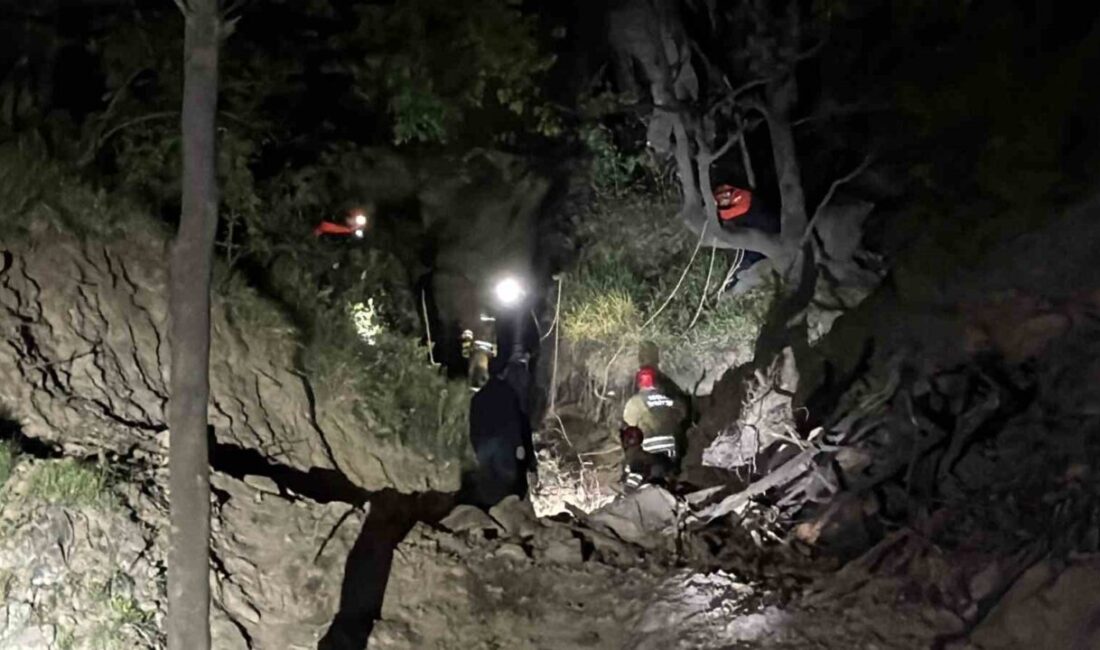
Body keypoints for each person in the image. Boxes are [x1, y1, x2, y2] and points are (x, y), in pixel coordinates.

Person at [620, 342, 689, 489]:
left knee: (635, 458)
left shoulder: (636, 402)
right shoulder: (670, 394)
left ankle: (630, 488)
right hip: (672, 447)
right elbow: (683, 413)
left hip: (649, 447)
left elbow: (630, 421)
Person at [713, 184, 780, 290]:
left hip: (767, 231)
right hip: (761, 225)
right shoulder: (733, 192)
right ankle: (733, 278)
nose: (723, 199)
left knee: (748, 258)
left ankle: (734, 279)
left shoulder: (743, 203)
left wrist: (718, 211)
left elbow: (729, 214)